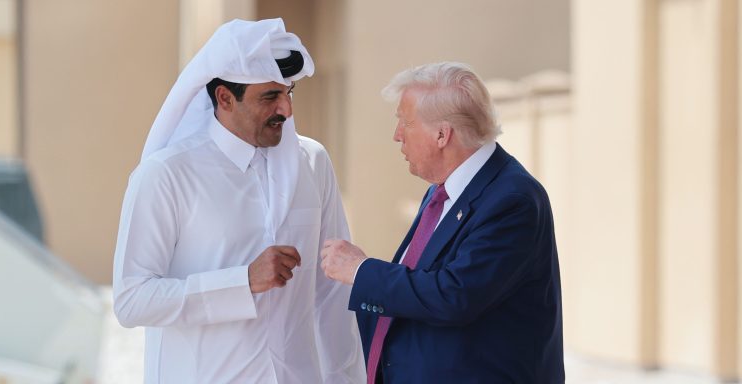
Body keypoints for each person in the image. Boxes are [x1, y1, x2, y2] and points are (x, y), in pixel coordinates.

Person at [112, 19, 365, 383]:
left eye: (288, 93)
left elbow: (331, 292)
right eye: (269, 97)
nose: (286, 110)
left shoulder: (313, 163)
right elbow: (132, 300)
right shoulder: (167, 174)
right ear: (225, 98)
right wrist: (242, 282)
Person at [321, 62, 564, 383]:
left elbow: (455, 295)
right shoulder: (444, 190)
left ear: (441, 134)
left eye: (404, 123)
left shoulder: (512, 198)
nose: (396, 136)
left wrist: (360, 270)